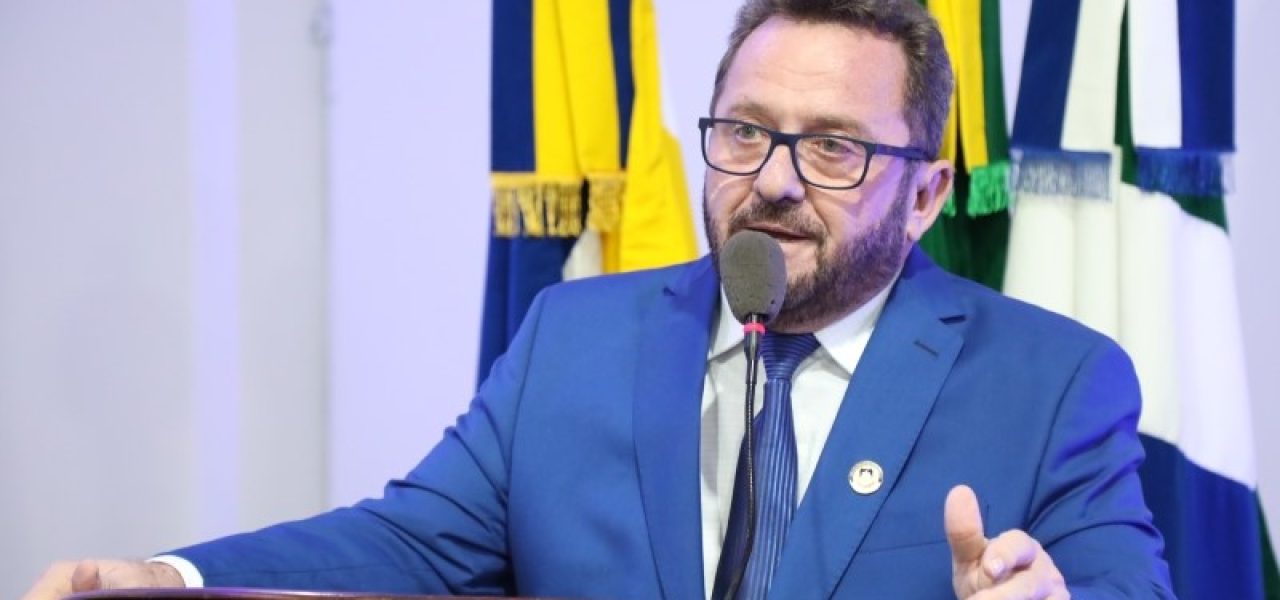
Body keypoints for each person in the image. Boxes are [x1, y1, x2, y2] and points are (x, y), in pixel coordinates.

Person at [25, 0, 1173, 598]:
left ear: (924, 194)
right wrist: (169, 581)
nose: (772, 180)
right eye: (745, 132)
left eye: (832, 147)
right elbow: (410, 543)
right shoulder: (575, 339)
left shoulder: (1050, 383)